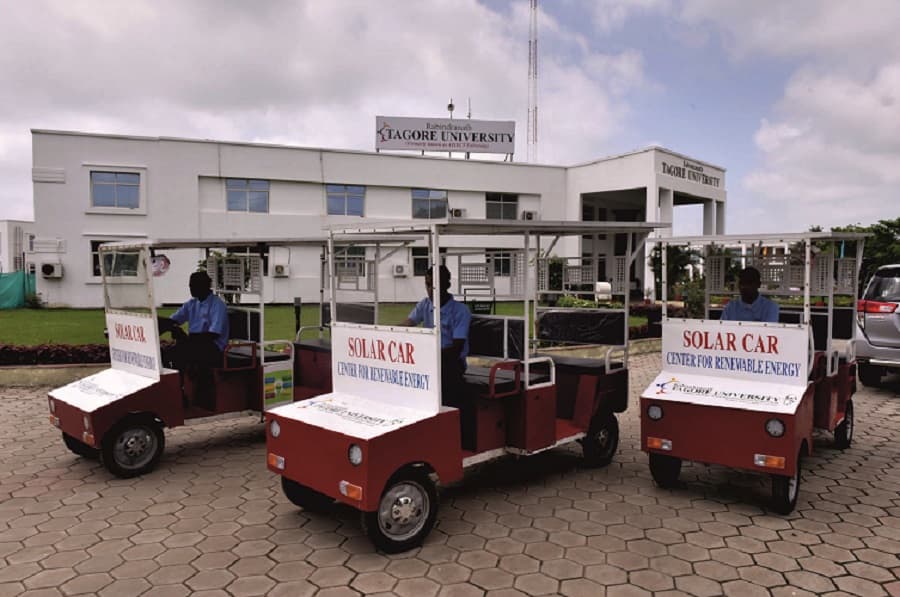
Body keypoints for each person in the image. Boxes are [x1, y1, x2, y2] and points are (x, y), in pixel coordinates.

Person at [403, 265, 471, 401]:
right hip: (429, 360)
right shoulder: (425, 304)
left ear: (447, 285)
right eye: (427, 285)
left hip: (451, 363)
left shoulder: (460, 311)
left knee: (442, 377)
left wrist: (429, 355)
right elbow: (408, 323)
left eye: (435, 286)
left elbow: (456, 349)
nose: (430, 290)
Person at [159, 271, 230, 401]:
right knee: (165, 352)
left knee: (177, 353)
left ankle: (182, 393)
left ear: (204, 286)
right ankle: (177, 389)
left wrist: (186, 338)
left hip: (214, 347)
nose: (190, 289)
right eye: (190, 285)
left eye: (193, 286)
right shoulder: (192, 303)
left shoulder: (217, 305)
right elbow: (174, 320)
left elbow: (213, 334)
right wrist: (157, 323)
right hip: (196, 344)